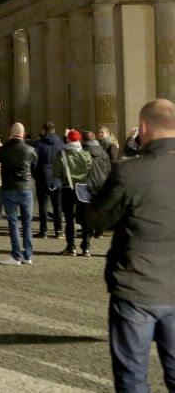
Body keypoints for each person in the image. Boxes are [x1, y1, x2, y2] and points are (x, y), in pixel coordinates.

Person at [87, 99, 175, 390]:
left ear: (144, 129)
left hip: (136, 286)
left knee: (132, 376)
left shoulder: (131, 172)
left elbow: (96, 219)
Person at [0, 122, 37, 265]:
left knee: (13, 223)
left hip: (9, 188)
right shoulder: (30, 149)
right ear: (23, 134)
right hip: (26, 188)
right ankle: (28, 255)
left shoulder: (3, 149)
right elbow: (35, 161)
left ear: (10, 134)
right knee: (27, 223)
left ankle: (16, 256)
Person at [54, 129, 93, 257]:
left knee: (69, 219)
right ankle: (86, 247)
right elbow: (90, 170)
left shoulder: (62, 154)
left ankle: (71, 247)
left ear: (68, 140)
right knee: (86, 218)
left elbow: (57, 173)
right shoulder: (86, 154)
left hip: (68, 188)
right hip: (83, 188)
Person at [32, 122, 64, 239]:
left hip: (43, 177)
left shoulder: (38, 144)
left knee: (43, 205)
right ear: (54, 131)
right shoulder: (61, 144)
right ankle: (59, 230)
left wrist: (36, 176)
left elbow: (33, 163)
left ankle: (43, 230)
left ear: (44, 130)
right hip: (57, 178)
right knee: (58, 206)